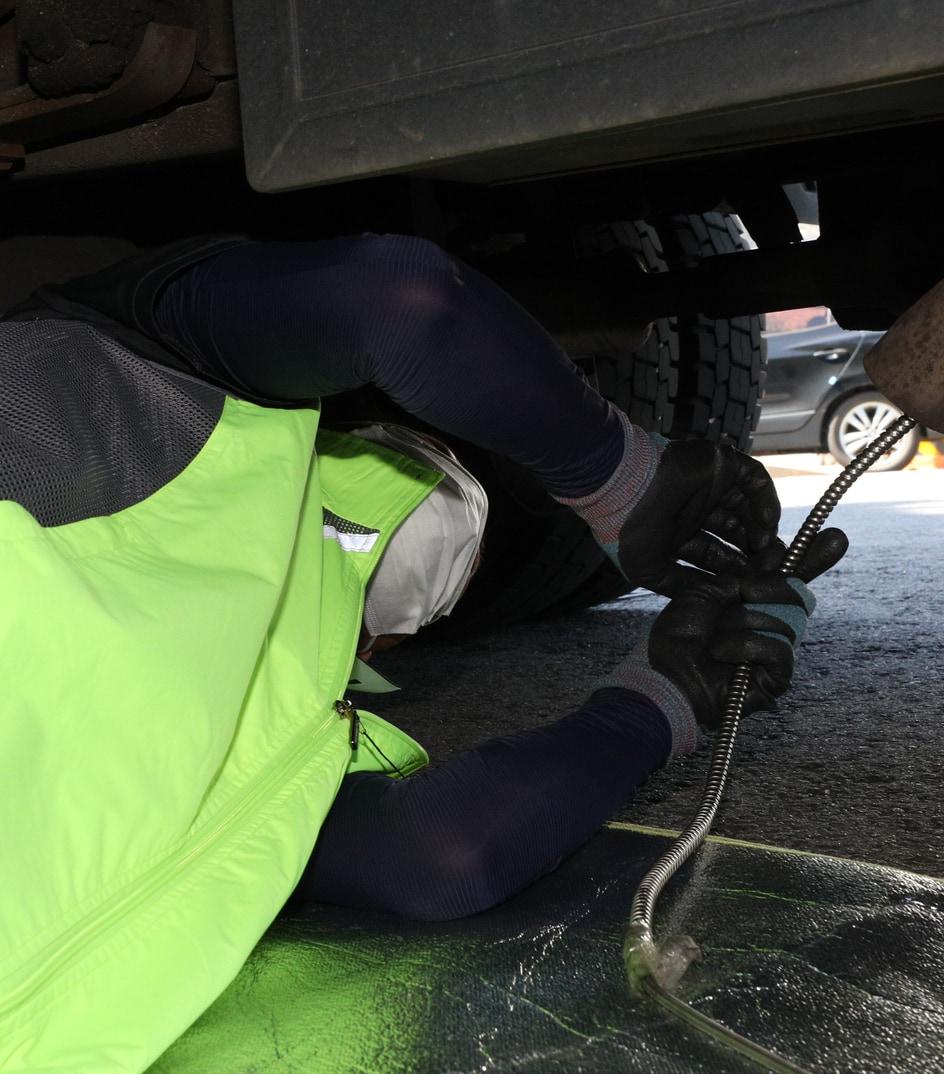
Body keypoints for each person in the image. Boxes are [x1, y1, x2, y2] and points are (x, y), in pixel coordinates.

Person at [0, 233, 845, 1072]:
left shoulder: (86, 398)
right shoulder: (292, 746)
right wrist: (669, 686)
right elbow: (442, 858)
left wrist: (623, 490)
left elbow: (400, 304)